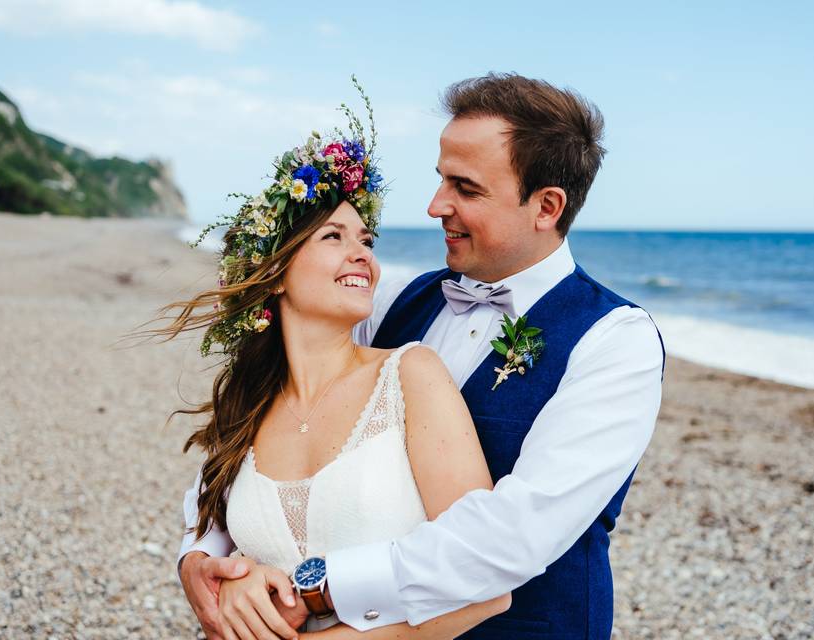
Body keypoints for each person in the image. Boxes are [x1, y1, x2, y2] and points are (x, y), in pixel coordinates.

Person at [179, 73, 665, 640]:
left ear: (546, 206)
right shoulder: (391, 303)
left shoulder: (614, 341)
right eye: (441, 181)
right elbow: (269, 426)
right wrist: (204, 557)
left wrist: (317, 586)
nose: (436, 206)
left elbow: (516, 534)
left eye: (466, 188)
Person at [158, 96, 511, 640]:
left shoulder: (410, 375)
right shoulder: (247, 405)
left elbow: (485, 585)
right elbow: (215, 539)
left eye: (366, 240)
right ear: (274, 272)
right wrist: (228, 580)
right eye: (333, 237)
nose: (362, 254)